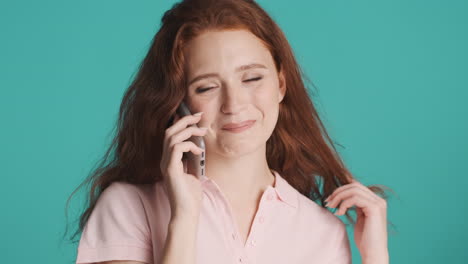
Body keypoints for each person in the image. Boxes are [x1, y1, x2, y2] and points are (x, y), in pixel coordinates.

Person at [66, 0, 391, 263]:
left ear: (280, 84)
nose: (234, 104)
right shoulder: (127, 207)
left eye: (251, 78)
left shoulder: (323, 231)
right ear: (178, 102)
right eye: (207, 87)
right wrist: (185, 216)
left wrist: (376, 257)